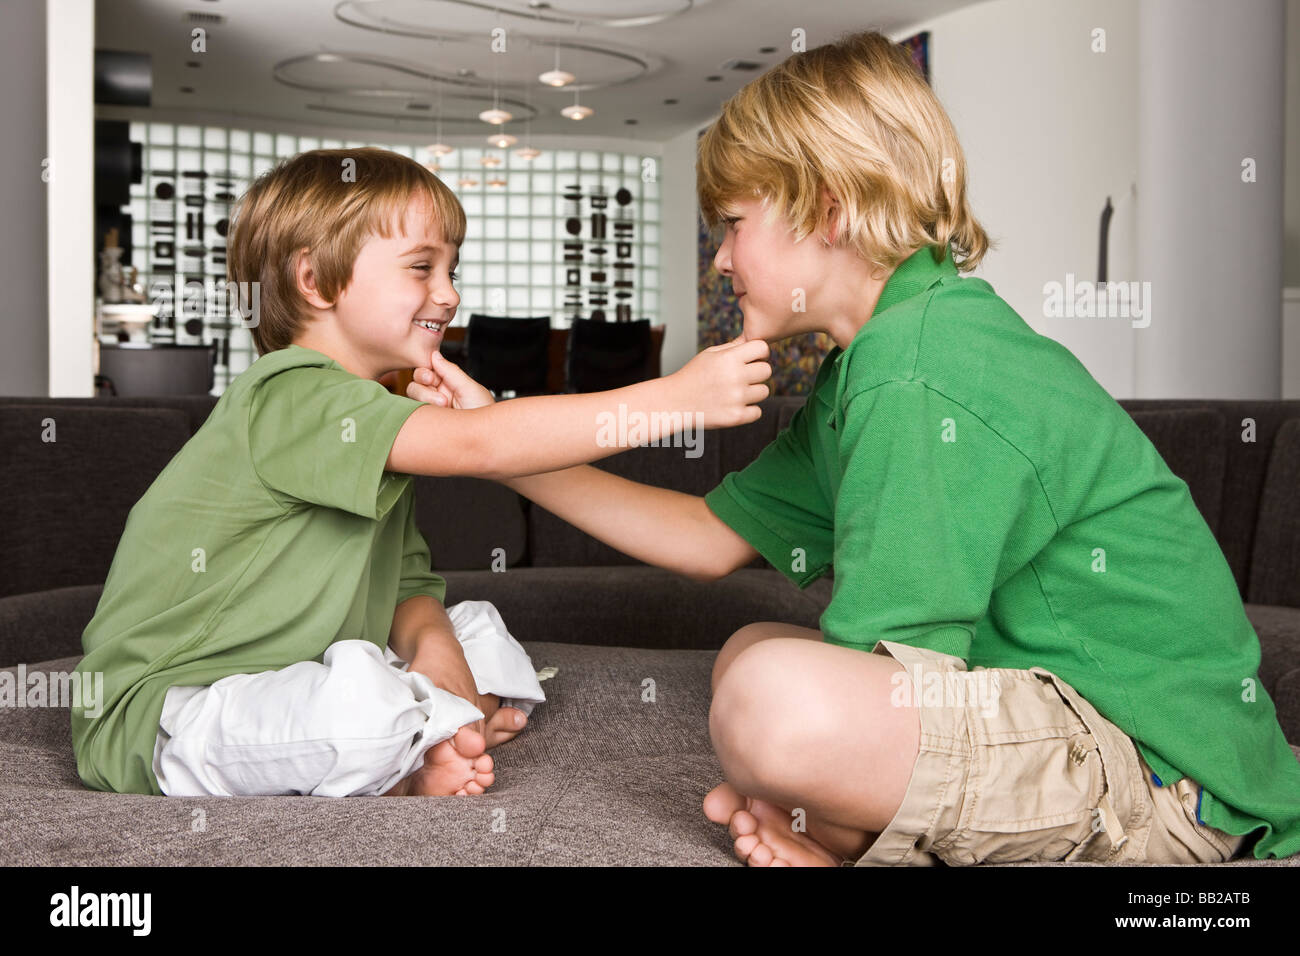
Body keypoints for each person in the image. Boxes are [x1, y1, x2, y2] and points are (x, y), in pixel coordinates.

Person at [406, 30, 1300, 865]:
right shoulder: (876, 358)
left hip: (1164, 786)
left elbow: (891, 661)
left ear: (825, 210)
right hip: (1075, 729)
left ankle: (848, 840)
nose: (720, 260)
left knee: (776, 701)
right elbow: (707, 538)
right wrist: (498, 441)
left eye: (735, 223)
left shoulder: (919, 366)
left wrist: (813, 798)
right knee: (751, 653)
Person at [69, 147, 771, 798]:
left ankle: (431, 730)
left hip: (295, 672)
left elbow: (405, 586)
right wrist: (674, 398)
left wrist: (438, 652)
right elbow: (480, 446)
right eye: (420, 267)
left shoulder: (371, 417)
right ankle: (420, 740)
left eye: (451, 270)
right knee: (359, 706)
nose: (449, 294)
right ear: (314, 280)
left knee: (475, 630)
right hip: (170, 710)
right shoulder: (290, 392)